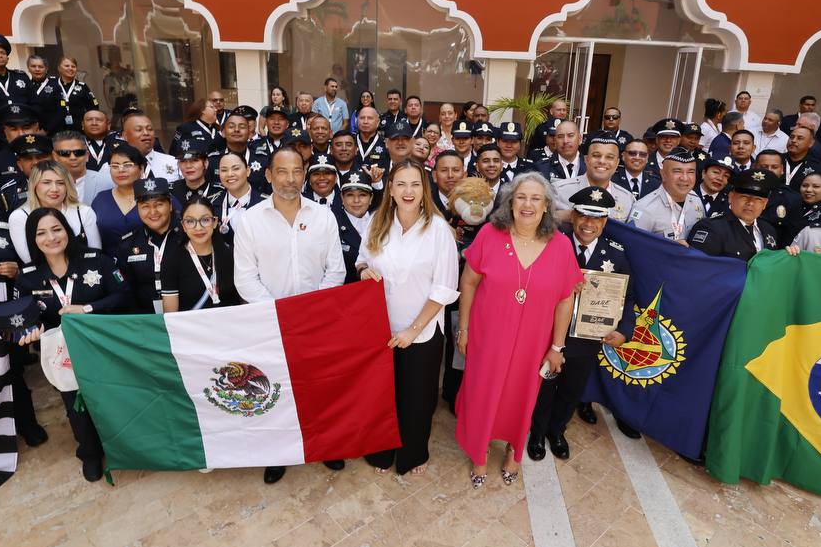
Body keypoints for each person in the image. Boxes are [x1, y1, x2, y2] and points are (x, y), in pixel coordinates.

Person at [455, 172, 582, 488]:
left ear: (546, 206)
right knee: (482, 394)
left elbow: (565, 299)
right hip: (488, 337)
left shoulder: (561, 245)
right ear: (511, 203)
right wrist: (464, 329)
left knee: (521, 397)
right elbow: (469, 282)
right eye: (521, 197)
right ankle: (480, 452)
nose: (528, 204)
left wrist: (557, 347)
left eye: (535, 198)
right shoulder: (489, 234)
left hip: (533, 343)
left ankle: (514, 450)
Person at [231, 147, 346, 483]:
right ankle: (277, 453)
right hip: (270, 323)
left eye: (297, 171)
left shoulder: (323, 217)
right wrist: (278, 314)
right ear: (269, 175)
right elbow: (245, 278)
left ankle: (325, 445)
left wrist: (311, 312)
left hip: (316, 322)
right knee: (274, 388)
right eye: (282, 171)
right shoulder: (250, 221)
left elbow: (335, 271)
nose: (290, 179)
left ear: (304, 175)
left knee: (319, 387)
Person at [11, 208, 130, 481]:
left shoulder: (96, 260)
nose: (51, 238)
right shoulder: (27, 276)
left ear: (68, 230)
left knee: (113, 397)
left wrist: (87, 308)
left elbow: (122, 294)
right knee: (75, 403)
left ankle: (123, 443)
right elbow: (24, 317)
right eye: (41, 233)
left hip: (101, 345)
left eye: (57, 229)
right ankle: (89, 452)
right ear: (32, 239)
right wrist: (30, 330)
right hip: (62, 352)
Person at [357, 162, 459, 476]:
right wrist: (364, 272)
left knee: (417, 398)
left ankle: (413, 453)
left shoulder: (438, 230)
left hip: (422, 331)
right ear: (390, 188)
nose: (408, 191)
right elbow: (362, 261)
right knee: (381, 395)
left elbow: (444, 288)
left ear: (424, 190)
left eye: (415, 184)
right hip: (380, 328)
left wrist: (413, 330)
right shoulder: (377, 222)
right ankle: (381, 451)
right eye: (401, 184)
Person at [528, 187, 634, 462]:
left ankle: (557, 431)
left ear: (605, 222)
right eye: (584, 216)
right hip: (548, 333)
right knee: (543, 387)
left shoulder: (617, 254)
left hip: (587, 339)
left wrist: (624, 330)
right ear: (573, 216)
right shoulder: (552, 244)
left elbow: (628, 296)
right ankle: (537, 433)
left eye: (596, 219)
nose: (589, 224)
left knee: (571, 389)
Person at [7, 161, 101, 263]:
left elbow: (96, 255)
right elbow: (29, 260)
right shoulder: (19, 217)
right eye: (46, 183)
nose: (54, 189)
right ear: (34, 185)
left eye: (60, 183)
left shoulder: (83, 212)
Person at [116, 177, 180, 314]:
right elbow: (125, 290)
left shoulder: (187, 237)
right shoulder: (128, 244)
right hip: (144, 318)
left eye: (159, 204)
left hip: (187, 314)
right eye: (145, 206)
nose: (153, 212)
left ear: (170, 205)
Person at [161, 201, 239, 312]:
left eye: (205, 220)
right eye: (190, 221)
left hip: (230, 322)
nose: (198, 228)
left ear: (215, 222)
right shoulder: (172, 260)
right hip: (190, 323)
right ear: (183, 225)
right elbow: (171, 314)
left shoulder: (232, 254)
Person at [687, 168, 779, 260]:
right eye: (744, 197)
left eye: (758, 199)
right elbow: (700, 265)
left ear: (765, 204)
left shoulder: (768, 229)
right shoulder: (711, 228)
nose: (750, 203)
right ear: (730, 197)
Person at [629, 147, 705, 242]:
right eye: (677, 171)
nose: (684, 178)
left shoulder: (696, 201)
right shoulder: (645, 208)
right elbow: (633, 245)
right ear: (663, 174)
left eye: (690, 172)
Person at [552, 136, 634, 221]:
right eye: (596, 155)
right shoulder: (559, 191)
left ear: (617, 163)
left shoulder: (627, 199)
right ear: (586, 159)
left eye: (609, 157)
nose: (602, 161)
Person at [92, 142, 146, 257]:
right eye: (115, 166)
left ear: (141, 169)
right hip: (110, 264)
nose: (121, 170)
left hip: (152, 262)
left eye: (127, 165)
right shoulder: (101, 199)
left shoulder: (156, 196)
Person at [35, 56, 100, 135]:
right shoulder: (49, 84)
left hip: (78, 131)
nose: (70, 68)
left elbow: (93, 108)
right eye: (67, 66)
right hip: (53, 131)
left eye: (73, 66)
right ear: (59, 68)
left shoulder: (82, 86)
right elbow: (39, 106)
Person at [52, 130, 113, 206]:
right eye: (65, 153)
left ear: (87, 155)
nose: (73, 157)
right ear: (55, 156)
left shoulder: (108, 182)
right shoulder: (44, 185)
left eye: (79, 153)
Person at [118, 112, 179, 181]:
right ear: (125, 136)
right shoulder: (114, 168)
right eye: (139, 130)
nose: (146, 133)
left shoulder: (173, 162)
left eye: (149, 129)